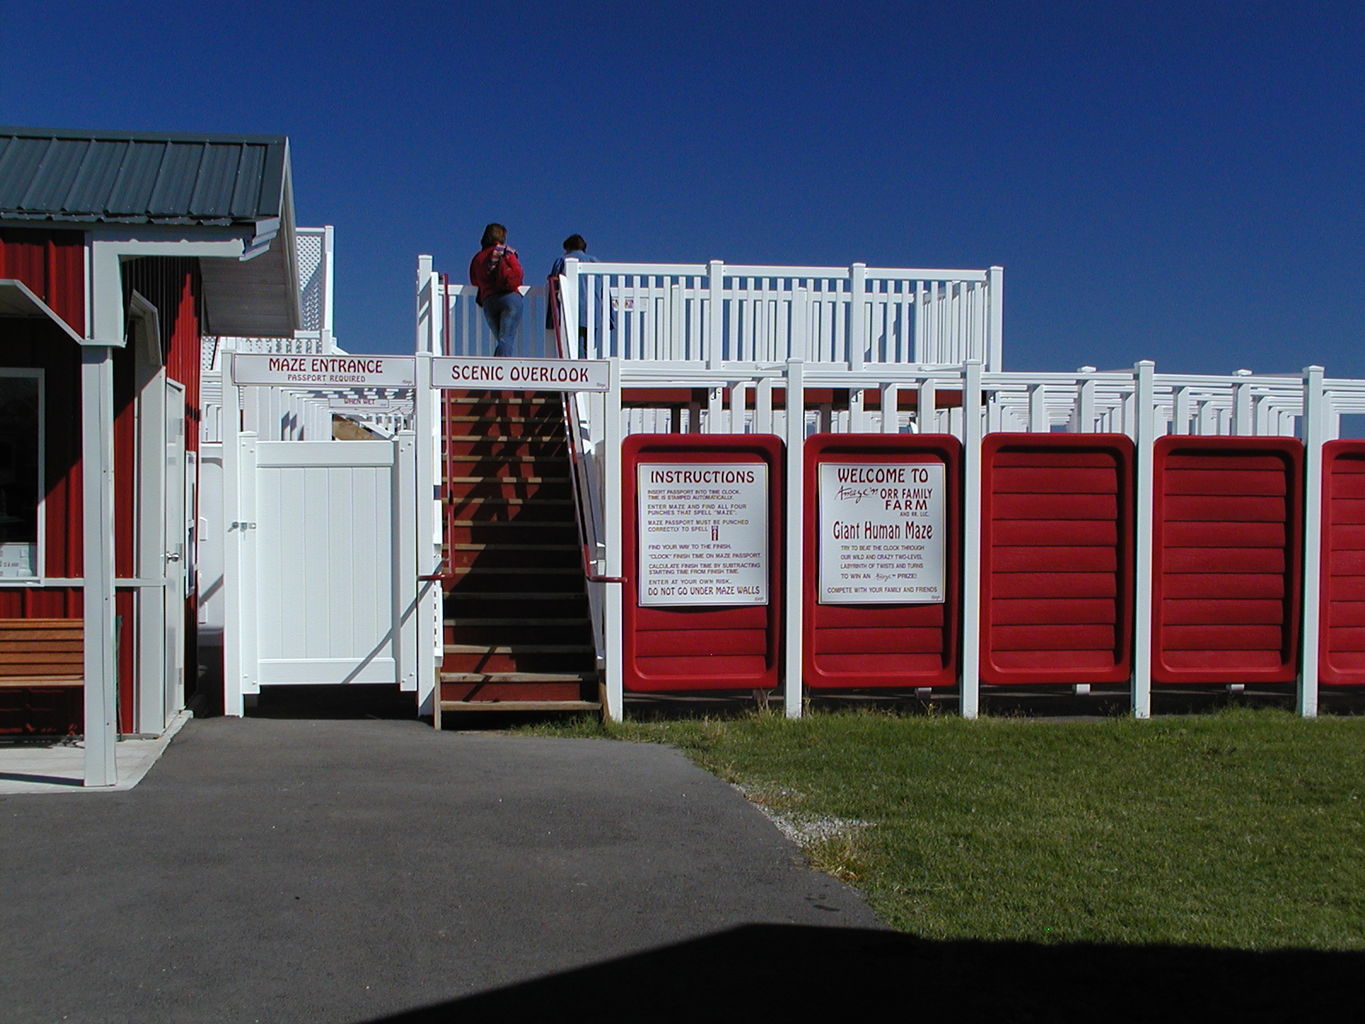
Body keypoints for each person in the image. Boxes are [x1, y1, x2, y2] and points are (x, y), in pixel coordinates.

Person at [547, 234, 614, 357]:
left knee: (575, 347)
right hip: (593, 312)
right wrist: (610, 317)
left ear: (567, 248)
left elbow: (553, 286)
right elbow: (606, 290)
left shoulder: (562, 260)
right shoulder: (595, 261)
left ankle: (581, 373)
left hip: (572, 311)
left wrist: (551, 318)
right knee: (588, 347)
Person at [469, 223, 525, 356]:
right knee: (506, 339)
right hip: (509, 298)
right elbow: (517, 273)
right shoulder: (505, 250)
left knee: (502, 339)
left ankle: (498, 369)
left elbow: (474, 281)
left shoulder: (478, 257)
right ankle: (501, 372)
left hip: (489, 301)